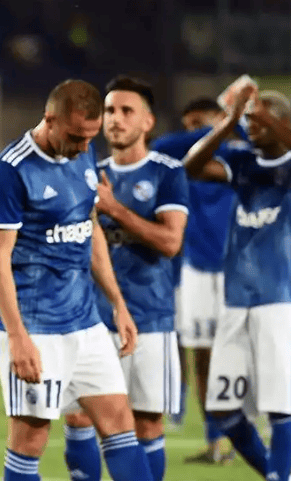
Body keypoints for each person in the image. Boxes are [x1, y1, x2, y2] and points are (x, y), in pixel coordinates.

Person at [0, 79, 155, 481]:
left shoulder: (83, 151)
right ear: (50, 119)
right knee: (30, 438)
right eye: (76, 137)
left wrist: (118, 303)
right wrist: (17, 337)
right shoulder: (13, 168)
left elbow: (89, 227)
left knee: (119, 422)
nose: (84, 147)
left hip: (85, 320)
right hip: (36, 325)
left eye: (90, 138)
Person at [62, 76, 189, 481]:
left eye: (126, 111)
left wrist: (115, 209)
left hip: (149, 317)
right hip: (89, 319)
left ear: (147, 122)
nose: (115, 119)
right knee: (79, 418)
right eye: (109, 110)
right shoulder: (86, 172)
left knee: (146, 422)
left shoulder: (168, 173)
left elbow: (170, 241)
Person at [184, 85, 291, 481]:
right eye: (249, 117)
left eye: (260, 116)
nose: (251, 123)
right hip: (236, 300)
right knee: (223, 408)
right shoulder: (242, 160)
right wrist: (228, 122)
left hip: (279, 300)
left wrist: (265, 117)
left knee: (280, 407)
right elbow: (192, 166)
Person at [151, 97, 239, 464]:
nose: (193, 133)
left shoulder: (242, 158)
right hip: (198, 269)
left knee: (252, 354)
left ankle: (265, 429)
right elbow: (160, 146)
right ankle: (216, 441)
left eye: (199, 123)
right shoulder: (184, 163)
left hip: (242, 271)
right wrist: (222, 126)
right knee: (204, 357)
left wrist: (233, 121)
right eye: (188, 126)